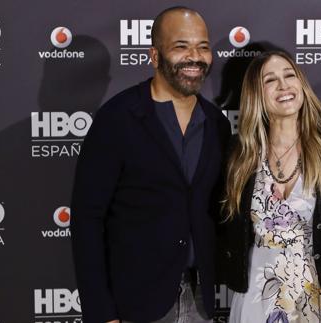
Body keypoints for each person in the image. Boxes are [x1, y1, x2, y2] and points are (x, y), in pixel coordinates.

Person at [70, 7, 231, 323]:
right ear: (155, 56)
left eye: (203, 46)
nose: (194, 57)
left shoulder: (216, 124)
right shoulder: (117, 119)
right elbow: (87, 220)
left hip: (201, 300)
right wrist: (101, 312)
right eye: (181, 46)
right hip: (136, 303)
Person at [217, 51, 321, 322]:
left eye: (290, 76)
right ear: (256, 94)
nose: (284, 85)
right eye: (270, 80)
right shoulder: (239, 153)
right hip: (257, 293)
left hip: (319, 292)